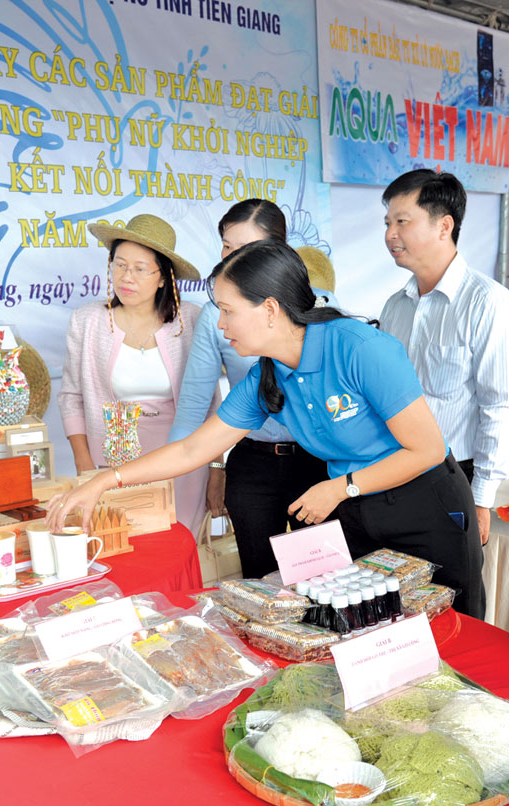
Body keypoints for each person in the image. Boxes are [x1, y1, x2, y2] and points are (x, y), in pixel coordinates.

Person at [47, 240, 485, 616]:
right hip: (358, 514)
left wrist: (340, 488)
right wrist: (107, 479)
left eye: (228, 311)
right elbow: (191, 450)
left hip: (424, 505)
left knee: (457, 635)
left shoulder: (361, 349)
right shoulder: (268, 376)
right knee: (372, 628)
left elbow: (425, 449)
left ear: (270, 310)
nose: (220, 325)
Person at [167, 200, 338, 578]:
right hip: (253, 464)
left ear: (279, 250)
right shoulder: (216, 314)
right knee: (261, 584)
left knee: (327, 580)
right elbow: (194, 412)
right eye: (226, 246)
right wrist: (189, 476)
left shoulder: (321, 306)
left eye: (244, 248)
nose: (231, 257)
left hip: (318, 461)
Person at [378, 169, 509, 547]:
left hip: (454, 475)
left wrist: (480, 500)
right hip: (392, 473)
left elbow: (499, 408)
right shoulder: (395, 307)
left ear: (444, 226)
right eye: (387, 223)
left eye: (402, 222)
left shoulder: (488, 303)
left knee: (453, 594)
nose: (390, 235)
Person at [58, 213, 209, 532]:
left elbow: (209, 400)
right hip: (111, 462)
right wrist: (83, 462)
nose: (127, 277)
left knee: (177, 544)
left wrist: (218, 466)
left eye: (140, 269)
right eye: (120, 265)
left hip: (181, 460)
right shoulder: (87, 321)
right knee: (121, 545)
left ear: (163, 278)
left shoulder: (192, 321)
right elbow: (71, 397)